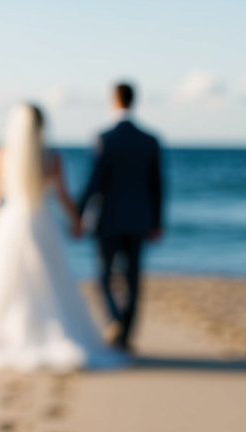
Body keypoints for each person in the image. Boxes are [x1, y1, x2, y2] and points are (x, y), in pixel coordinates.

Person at [0, 104, 121, 372]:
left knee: (3, 282)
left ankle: (3, 336)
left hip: (9, 222)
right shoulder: (52, 159)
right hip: (40, 223)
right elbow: (63, 197)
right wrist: (77, 222)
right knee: (47, 283)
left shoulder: (2, 156)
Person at [79, 82, 164, 351]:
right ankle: (126, 334)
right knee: (133, 278)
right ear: (133, 101)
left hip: (108, 219)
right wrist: (157, 221)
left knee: (104, 275)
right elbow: (158, 186)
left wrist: (78, 214)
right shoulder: (149, 140)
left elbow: (95, 182)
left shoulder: (105, 138)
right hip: (140, 219)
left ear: (114, 101)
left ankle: (114, 319)